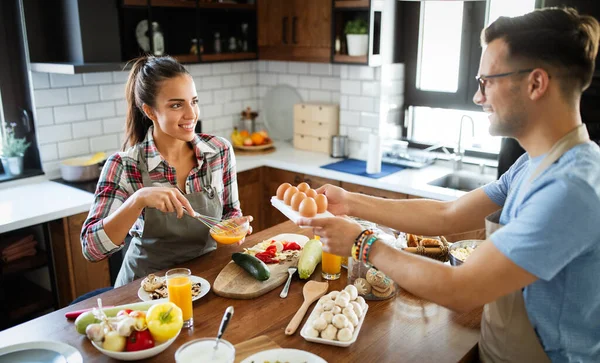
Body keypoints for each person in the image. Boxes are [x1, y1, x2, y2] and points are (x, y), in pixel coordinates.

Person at [298, 7, 600, 362]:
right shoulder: (535, 163)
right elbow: (449, 213)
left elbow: (464, 288)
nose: (478, 97)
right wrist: (350, 201)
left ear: (536, 83)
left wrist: (363, 243)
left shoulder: (571, 187)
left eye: (487, 81)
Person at [81, 55, 251, 287]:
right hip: (144, 289)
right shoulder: (124, 165)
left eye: (194, 101)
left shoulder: (218, 151)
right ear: (150, 111)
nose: (191, 114)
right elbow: (91, 249)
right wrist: (139, 199)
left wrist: (235, 228)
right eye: (176, 105)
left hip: (204, 281)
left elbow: (230, 212)